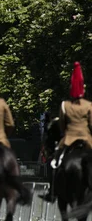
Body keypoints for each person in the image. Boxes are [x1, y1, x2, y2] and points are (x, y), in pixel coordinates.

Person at [42, 62, 92, 202]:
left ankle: (51, 193)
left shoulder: (65, 105)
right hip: (88, 139)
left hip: (69, 138)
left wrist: (67, 132)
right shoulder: (89, 106)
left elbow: (62, 125)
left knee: (54, 164)